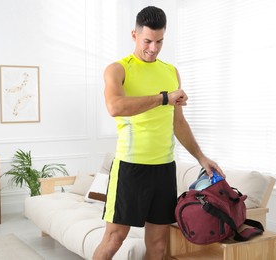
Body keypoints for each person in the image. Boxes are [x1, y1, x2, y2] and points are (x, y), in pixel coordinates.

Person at [93, 6, 225, 260]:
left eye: (160, 41)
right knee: (113, 239)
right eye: (148, 41)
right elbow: (115, 107)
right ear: (134, 35)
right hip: (130, 168)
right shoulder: (118, 69)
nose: (153, 48)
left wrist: (201, 157)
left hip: (164, 169)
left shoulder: (170, 72)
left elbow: (178, 123)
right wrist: (164, 98)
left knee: (158, 246)